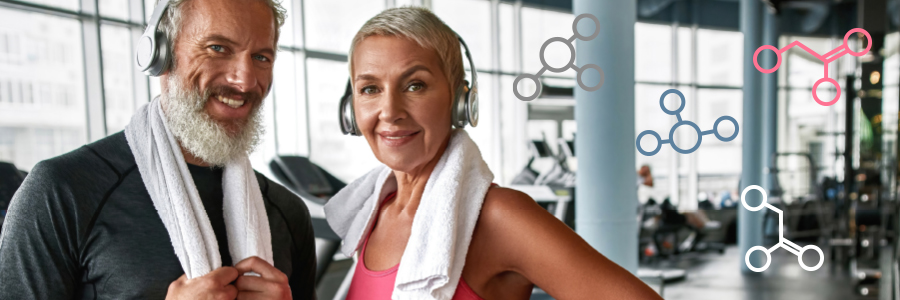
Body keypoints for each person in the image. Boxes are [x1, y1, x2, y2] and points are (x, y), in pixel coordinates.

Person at [325, 7, 662, 300]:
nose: (390, 111)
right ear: (350, 108)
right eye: (370, 89)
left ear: (461, 101)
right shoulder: (370, 215)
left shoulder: (500, 217)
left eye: (415, 85)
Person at [0, 0, 317, 299]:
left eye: (261, 57)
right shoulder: (62, 191)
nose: (244, 80)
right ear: (161, 54)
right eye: (217, 48)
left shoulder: (288, 212)